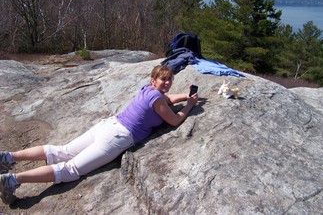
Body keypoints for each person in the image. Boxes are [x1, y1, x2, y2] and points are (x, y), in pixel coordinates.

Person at [0, 65, 198, 205]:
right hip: (117, 137)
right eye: (163, 79)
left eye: (170, 79)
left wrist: (185, 96)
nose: (167, 82)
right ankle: (13, 180)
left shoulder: (148, 90)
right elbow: (174, 120)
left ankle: (8, 157)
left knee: (63, 151)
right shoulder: (157, 98)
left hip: (108, 125)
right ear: (153, 80)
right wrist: (189, 106)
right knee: (70, 170)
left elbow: (167, 99)